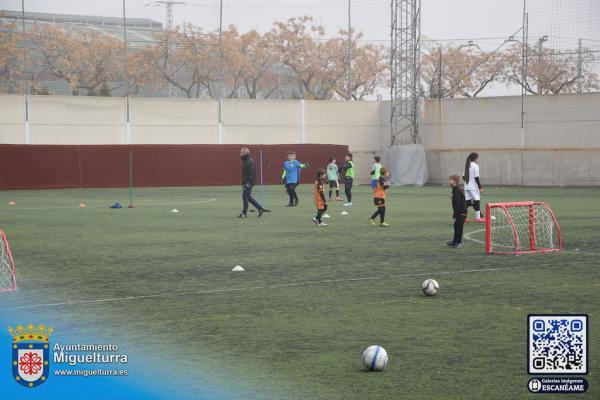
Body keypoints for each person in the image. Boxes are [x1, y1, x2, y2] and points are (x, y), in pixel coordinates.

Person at [239, 147, 270, 218]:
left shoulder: (249, 161)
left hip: (248, 183)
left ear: (245, 153)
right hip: (246, 182)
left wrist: (247, 183)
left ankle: (244, 213)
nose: (240, 153)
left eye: (241, 152)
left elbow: (252, 174)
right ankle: (260, 209)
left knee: (245, 197)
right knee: (247, 197)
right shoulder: (245, 160)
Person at [463, 152, 484, 221]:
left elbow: (463, 176)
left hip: (466, 187)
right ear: (475, 159)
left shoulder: (466, 165)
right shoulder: (475, 166)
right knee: (477, 201)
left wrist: (467, 183)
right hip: (473, 188)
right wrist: (480, 187)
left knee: (467, 202)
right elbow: (476, 178)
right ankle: (478, 218)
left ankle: (463, 217)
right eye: (477, 158)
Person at [448, 174, 467, 248]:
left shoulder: (457, 190)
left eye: (450, 180)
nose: (449, 182)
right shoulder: (455, 190)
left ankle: (458, 243)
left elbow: (458, 204)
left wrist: (455, 214)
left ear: (455, 181)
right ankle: (454, 241)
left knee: (459, 227)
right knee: (456, 226)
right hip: (459, 212)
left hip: (461, 212)